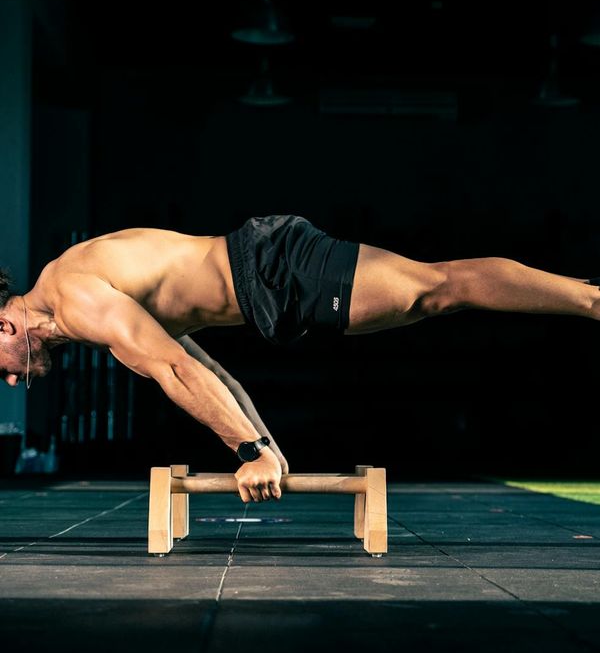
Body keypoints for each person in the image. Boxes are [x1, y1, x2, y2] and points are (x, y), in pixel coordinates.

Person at [1, 214, 598, 502]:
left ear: (3, 323)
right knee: (434, 292)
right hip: (269, 279)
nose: (9, 376)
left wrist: (249, 450)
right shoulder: (77, 303)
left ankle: (591, 299)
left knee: (434, 289)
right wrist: (267, 447)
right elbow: (211, 372)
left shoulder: (73, 297)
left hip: (271, 270)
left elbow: (174, 370)